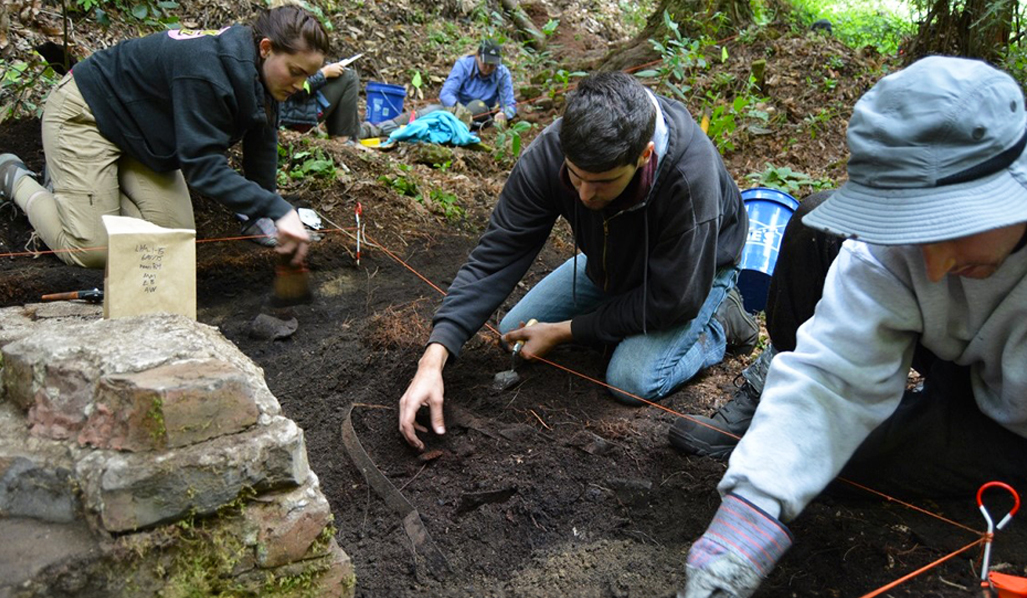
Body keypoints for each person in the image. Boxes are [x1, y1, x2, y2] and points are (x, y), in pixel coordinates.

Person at [657, 56, 1027, 598]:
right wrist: (727, 559)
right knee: (828, 461)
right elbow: (829, 379)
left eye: (949, 228)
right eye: (914, 231)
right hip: (979, 384)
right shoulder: (901, 246)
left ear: (1012, 187)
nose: (932, 268)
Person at [398, 71, 754, 450]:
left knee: (631, 380)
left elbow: (672, 299)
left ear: (644, 155)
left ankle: (719, 323)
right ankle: (615, 302)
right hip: (612, 261)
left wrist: (566, 330)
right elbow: (498, 252)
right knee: (515, 326)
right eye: (576, 176)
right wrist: (435, 356)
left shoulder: (688, 176)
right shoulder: (555, 149)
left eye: (602, 182)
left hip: (691, 275)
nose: (584, 195)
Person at [0, 5, 325, 268]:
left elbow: (262, 144)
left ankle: (83, 193)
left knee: (173, 237)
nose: (300, 84)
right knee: (92, 248)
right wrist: (280, 209)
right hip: (87, 112)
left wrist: (263, 212)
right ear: (266, 48)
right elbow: (201, 168)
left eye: (308, 76)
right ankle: (17, 179)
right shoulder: (207, 71)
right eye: (295, 71)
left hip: (141, 137)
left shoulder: (264, 77)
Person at [280, 57, 361, 143]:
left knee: (343, 75)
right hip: (291, 116)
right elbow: (299, 89)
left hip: (289, 111)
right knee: (349, 76)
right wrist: (324, 73)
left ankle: (353, 137)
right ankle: (342, 139)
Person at [439, 39, 516, 126]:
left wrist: (504, 114)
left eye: (492, 65)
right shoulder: (463, 65)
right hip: (457, 113)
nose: (487, 68)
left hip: (483, 116)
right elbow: (446, 94)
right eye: (485, 63)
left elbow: (509, 103)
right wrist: (460, 110)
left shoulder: (502, 73)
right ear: (477, 56)